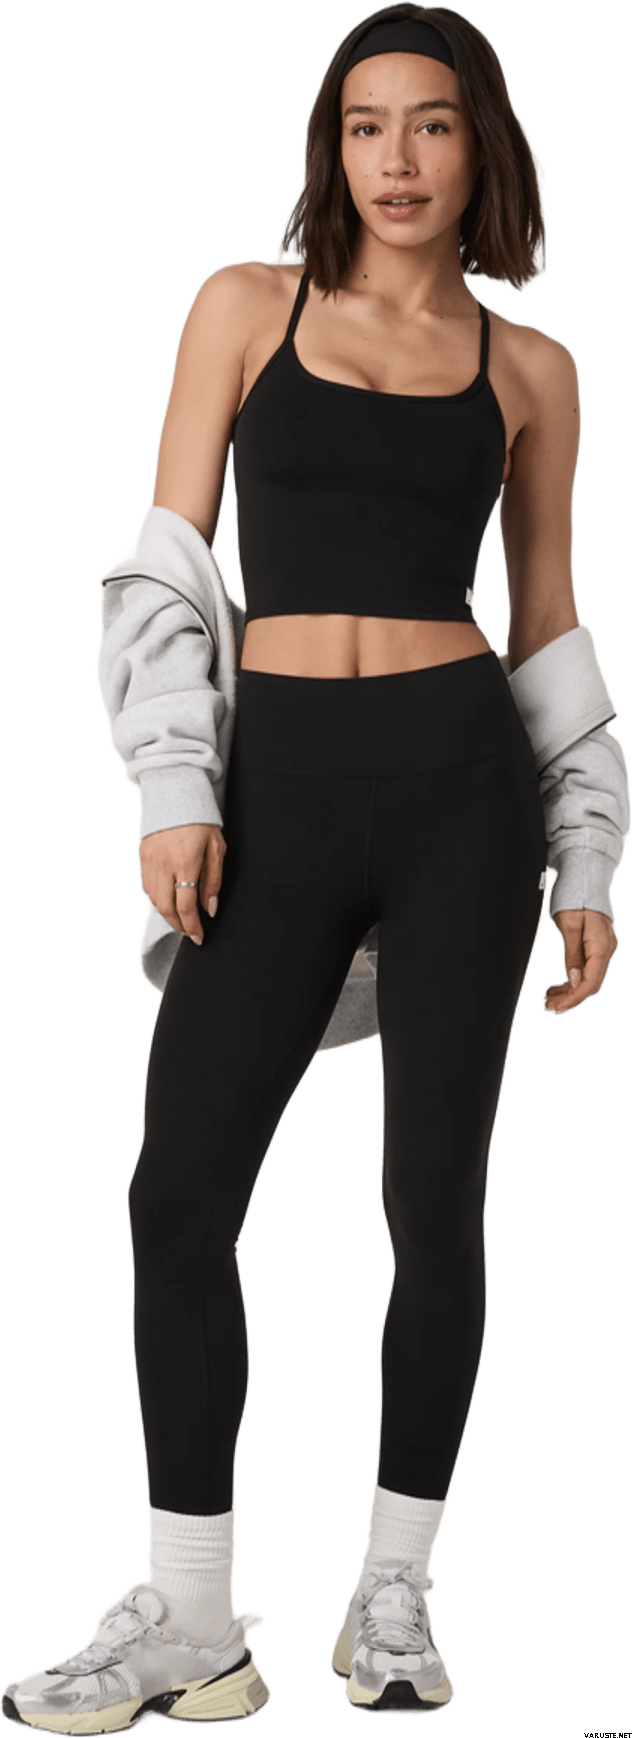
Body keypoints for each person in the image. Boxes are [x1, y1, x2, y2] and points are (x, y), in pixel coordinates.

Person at [3, 2, 629, 1728]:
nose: (397, 160)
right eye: (366, 126)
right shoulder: (241, 306)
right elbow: (165, 554)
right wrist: (171, 782)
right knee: (175, 1191)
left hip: (459, 796)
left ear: (482, 147)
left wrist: (586, 855)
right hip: (267, 787)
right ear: (329, 148)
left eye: (433, 125)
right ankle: (192, 1615)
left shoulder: (532, 371)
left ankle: (395, 1592)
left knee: (433, 1201)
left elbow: (548, 621)